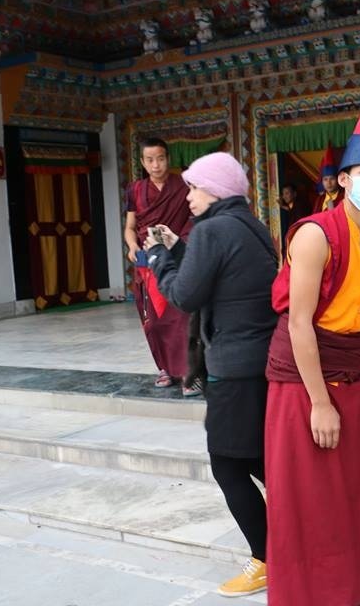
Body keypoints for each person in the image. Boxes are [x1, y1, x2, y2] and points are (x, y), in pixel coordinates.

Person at [264, 57, 360, 606]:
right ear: (344, 179)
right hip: (303, 383)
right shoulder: (315, 235)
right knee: (308, 498)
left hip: (353, 374)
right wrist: (319, 402)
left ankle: (354, 589)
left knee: (353, 491)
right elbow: (298, 322)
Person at [144, 152, 278, 596]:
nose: (188, 196)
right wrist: (179, 249)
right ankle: (306, 528)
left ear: (216, 189)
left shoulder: (211, 230)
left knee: (227, 465)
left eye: (195, 187)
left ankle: (267, 558)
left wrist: (158, 257)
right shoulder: (250, 225)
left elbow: (185, 295)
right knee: (258, 459)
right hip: (262, 361)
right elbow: (222, 277)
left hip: (233, 367)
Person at [124, 138, 193, 394]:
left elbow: (193, 219)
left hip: (177, 259)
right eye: (150, 160)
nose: (156, 165)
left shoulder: (183, 186)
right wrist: (132, 246)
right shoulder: (135, 190)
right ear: (143, 162)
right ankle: (164, 367)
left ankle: (188, 370)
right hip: (148, 263)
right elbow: (130, 227)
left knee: (180, 318)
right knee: (153, 321)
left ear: (168, 159)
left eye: (161, 159)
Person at [313, 143, 345, 213]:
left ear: (338, 180)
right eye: (325, 179)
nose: (328, 183)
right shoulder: (320, 199)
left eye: (332, 179)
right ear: (322, 182)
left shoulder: (344, 198)